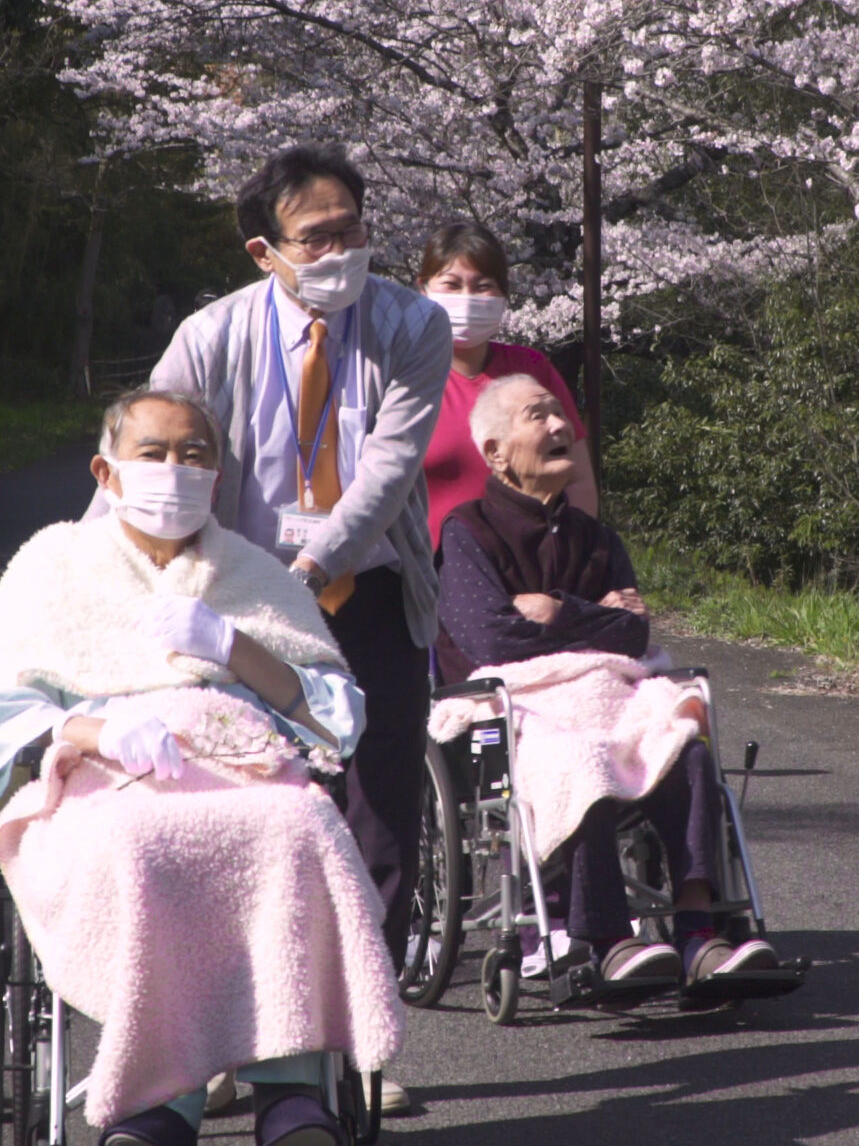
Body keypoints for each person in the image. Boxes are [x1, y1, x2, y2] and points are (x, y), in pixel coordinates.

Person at [0, 388, 401, 1146]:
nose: (174, 469)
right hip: (109, 779)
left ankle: (290, 1090)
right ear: (107, 471)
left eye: (194, 455)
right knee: (142, 845)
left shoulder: (257, 573)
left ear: (217, 478)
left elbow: (337, 718)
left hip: (243, 769)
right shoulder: (52, 564)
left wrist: (232, 647)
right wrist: (97, 729)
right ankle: (162, 1098)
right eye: (152, 453)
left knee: (302, 827)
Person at [150, 145, 446, 1115]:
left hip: (367, 593)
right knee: (236, 812)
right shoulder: (209, 338)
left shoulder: (412, 323)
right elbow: (157, 456)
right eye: (316, 237)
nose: (340, 251)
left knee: (378, 816)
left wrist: (312, 568)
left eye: (351, 228)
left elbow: (391, 466)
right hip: (236, 602)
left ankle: (358, 1048)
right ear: (263, 251)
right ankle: (229, 1036)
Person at [437, 373, 783, 994]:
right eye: (538, 416)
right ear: (495, 452)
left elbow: (633, 634)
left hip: (608, 699)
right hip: (524, 712)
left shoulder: (597, 539)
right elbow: (491, 640)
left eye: (560, 414)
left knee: (684, 749)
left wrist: (556, 610)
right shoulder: (468, 532)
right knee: (581, 759)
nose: (560, 426)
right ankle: (609, 942)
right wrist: (595, 616)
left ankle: (699, 933)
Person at [413, 221, 597, 541]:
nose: (467, 297)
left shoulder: (531, 371)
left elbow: (578, 480)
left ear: (503, 294)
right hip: (422, 567)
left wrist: (566, 552)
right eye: (452, 285)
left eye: (483, 285)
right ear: (423, 289)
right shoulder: (400, 374)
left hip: (529, 564)